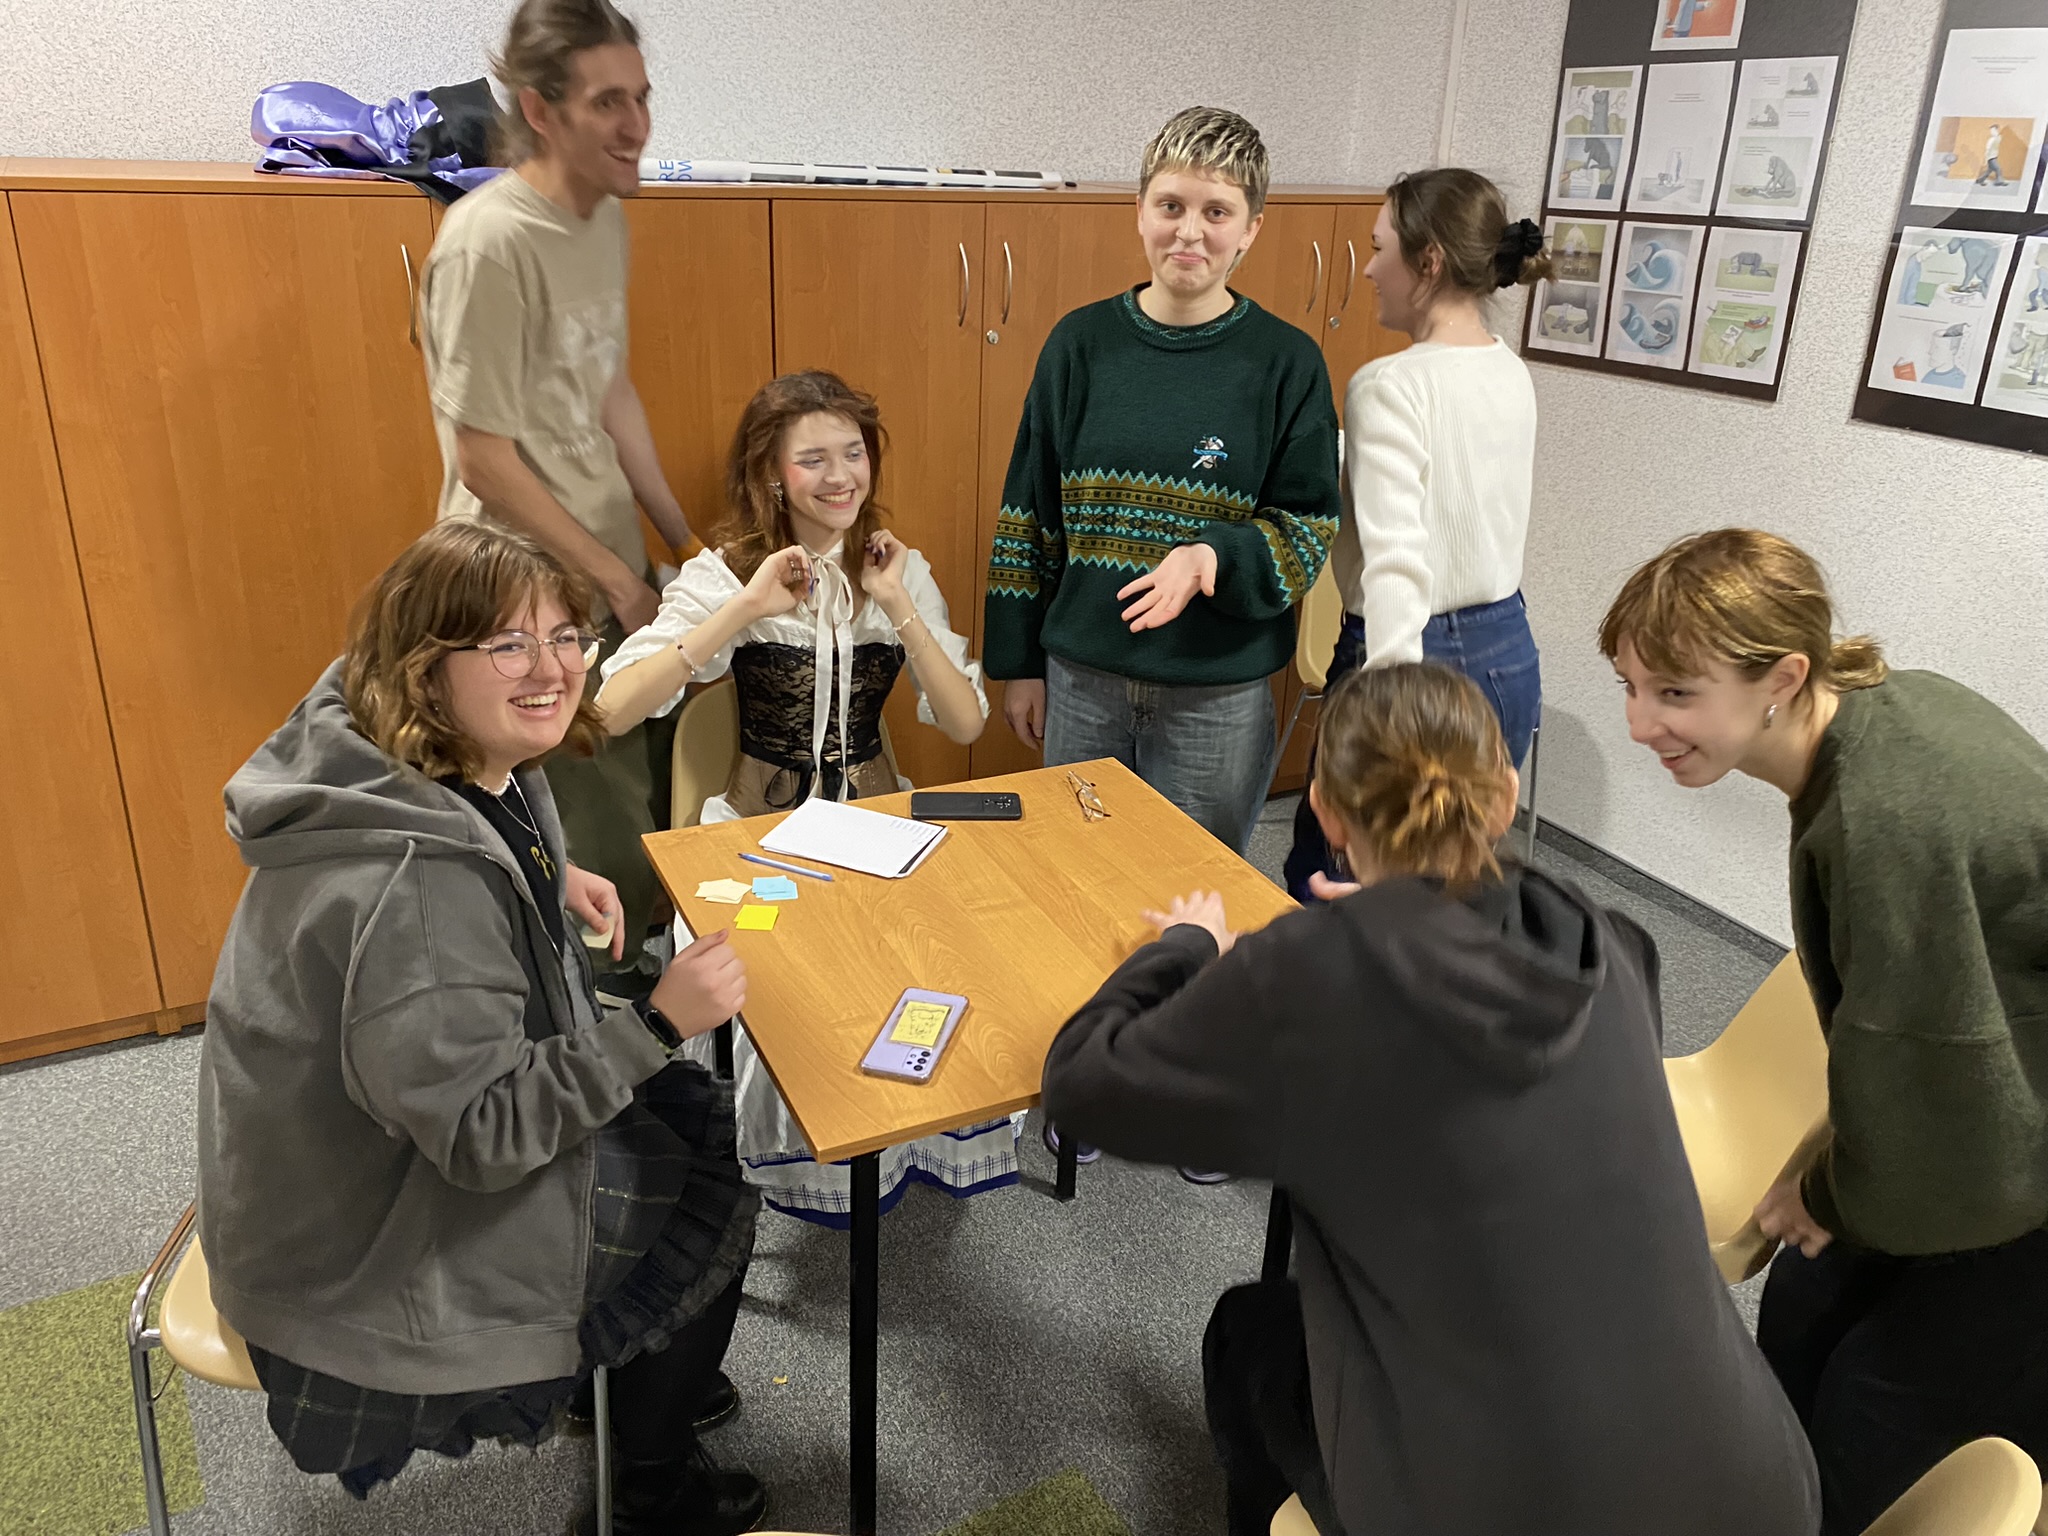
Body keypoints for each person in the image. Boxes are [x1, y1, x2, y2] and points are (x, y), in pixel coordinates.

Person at [1042, 661, 1819, 1536]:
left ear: (1327, 814)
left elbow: (1080, 1088)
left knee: (1246, 1334)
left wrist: (1188, 945)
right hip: (1760, 1495)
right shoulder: (1606, 940)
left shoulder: (1307, 980)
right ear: (1505, 794)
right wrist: (1388, 921)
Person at [197, 520, 767, 1536]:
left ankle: (643, 1385)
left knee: (681, 1114)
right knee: (714, 1162)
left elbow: (480, 841)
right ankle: (649, 1482)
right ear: (424, 670)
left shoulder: (401, 744)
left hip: (333, 1164)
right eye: (508, 644)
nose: (552, 670)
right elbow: (484, 1136)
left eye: (565, 636)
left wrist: (549, 876)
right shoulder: (416, 893)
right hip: (361, 1246)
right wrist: (656, 1018)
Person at [1601, 528, 2048, 1535]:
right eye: (1629, 686)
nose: (1638, 722)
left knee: (1872, 1414)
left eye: (1674, 692)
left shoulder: (1888, 823)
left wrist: (1822, 1188)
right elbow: (1908, 1042)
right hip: (2000, 1066)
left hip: (2024, 1150)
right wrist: (1829, 1188)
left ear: (1783, 678)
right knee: (1804, 1303)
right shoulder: (1868, 717)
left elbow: (1937, 1067)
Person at [599, 369, 1007, 1221]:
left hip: (879, 827)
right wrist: (744, 608)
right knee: (775, 976)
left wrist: (895, 603)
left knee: (946, 950)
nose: (839, 477)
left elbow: (965, 721)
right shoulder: (726, 574)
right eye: (812, 459)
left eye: (853, 454)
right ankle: (798, 1157)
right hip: (755, 834)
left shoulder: (897, 568)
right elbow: (610, 709)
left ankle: (900, 1134)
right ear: (772, 475)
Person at [982, 105, 1341, 861]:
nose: (1190, 232)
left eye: (1217, 212)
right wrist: (1019, 666)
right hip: (1082, 683)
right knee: (1078, 872)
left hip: (1217, 695)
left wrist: (1214, 558)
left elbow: (1309, 527)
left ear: (1251, 229)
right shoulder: (1078, 345)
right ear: (1140, 211)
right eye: (1171, 206)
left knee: (1194, 886)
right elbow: (1028, 511)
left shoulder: (1287, 363)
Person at [419, 0, 688, 998]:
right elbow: (482, 458)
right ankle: (600, 1022)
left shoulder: (601, 217)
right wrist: (617, 581)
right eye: (608, 102)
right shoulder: (487, 243)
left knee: (637, 784)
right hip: (522, 586)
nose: (636, 126)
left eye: (642, 98)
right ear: (539, 109)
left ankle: (631, 991)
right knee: (577, 810)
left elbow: (610, 393)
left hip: (606, 561)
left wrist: (680, 538)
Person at [1283, 168, 1549, 903]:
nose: (1368, 269)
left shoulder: (1386, 386)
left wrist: (1385, 714)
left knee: (1342, 880)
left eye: (1379, 249)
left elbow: (1400, 561)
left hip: (1406, 652)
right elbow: (1458, 499)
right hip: (1506, 652)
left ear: (1428, 262)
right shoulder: (1510, 370)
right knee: (1454, 888)